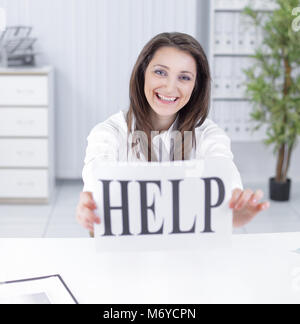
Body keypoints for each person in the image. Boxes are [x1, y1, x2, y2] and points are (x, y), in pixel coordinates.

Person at [76, 32, 270, 234]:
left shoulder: (209, 135)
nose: (170, 87)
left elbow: (224, 172)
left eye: (184, 77)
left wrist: (232, 209)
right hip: (129, 259)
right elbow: (95, 187)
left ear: (196, 86)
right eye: (160, 72)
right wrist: (90, 208)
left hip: (189, 257)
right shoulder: (108, 134)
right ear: (143, 73)